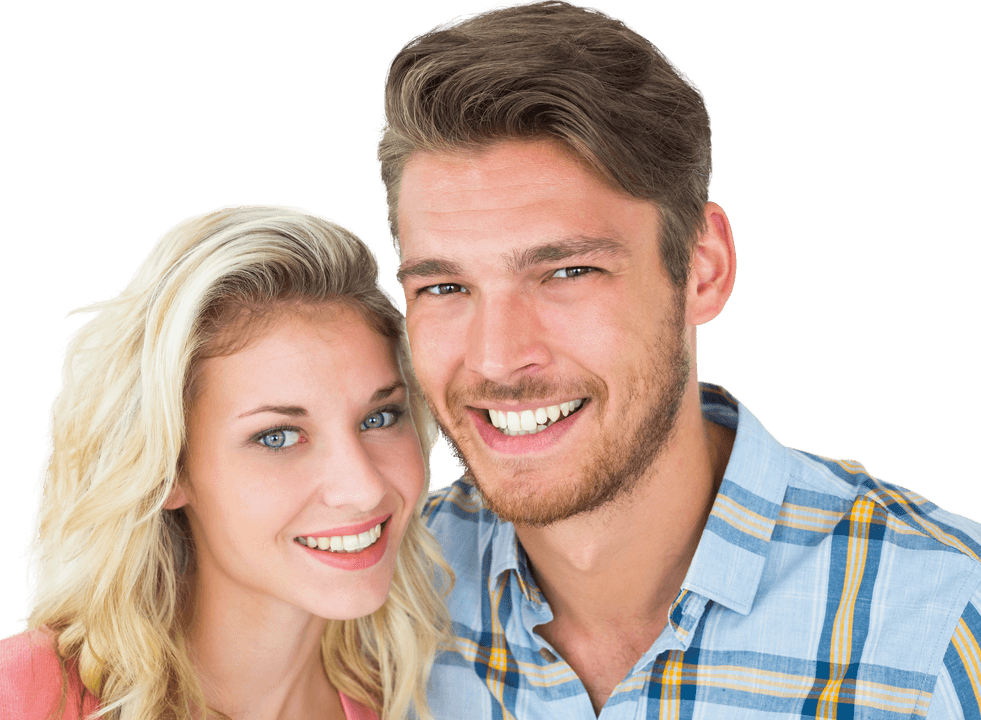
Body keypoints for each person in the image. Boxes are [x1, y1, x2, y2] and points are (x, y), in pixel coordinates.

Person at [376, 1, 981, 718]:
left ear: (704, 268)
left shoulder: (943, 628)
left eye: (566, 273)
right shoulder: (370, 604)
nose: (499, 357)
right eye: (445, 287)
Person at [0, 204, 450, 720]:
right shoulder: (7, 704)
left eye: (380, 418)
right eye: (278, 437)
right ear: (169, 469)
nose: (361, 487)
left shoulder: (428, 694)